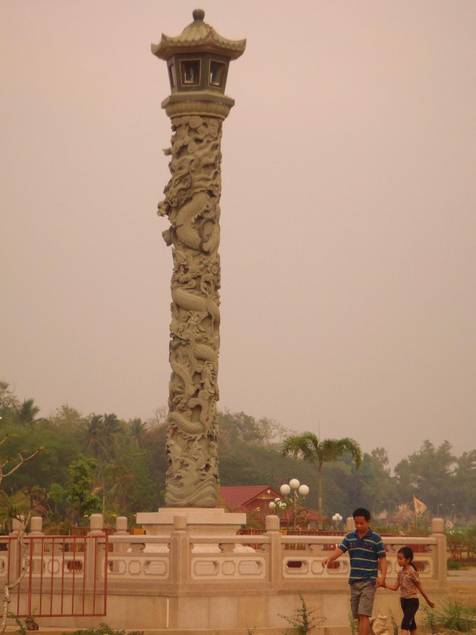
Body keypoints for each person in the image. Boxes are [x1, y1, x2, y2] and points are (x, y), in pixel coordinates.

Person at [322, 507, 387, 635]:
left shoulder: (376, 538)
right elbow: (340, 549)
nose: (358, 526)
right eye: (356, 523)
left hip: (369, 581)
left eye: (361, 523)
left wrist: (382, 576)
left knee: (364, 614)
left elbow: (383, 558)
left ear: (368, 521)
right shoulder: (349, 537)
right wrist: (329, 558)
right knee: (358, 616)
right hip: (354, 581)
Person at [383, 546, 434, 634]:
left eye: (400, 558)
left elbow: (420, 587)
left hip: (412, 602)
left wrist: (428, 601)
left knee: (405, 625)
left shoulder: (412, 572)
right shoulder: (400, 573)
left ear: (408, 559)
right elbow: (395, 587)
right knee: (412, 625)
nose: (398, 560)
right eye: (398, 558)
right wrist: (384, 585)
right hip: (404, 602)